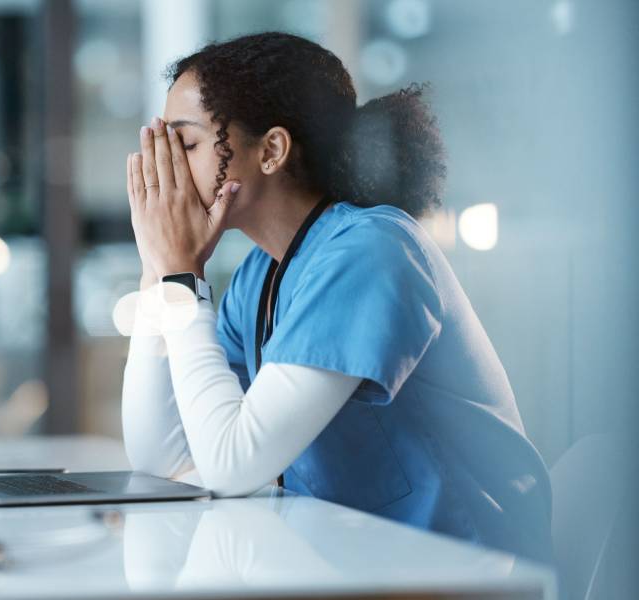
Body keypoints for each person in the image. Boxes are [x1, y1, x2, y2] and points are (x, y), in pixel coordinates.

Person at [121, 32, 553, 564]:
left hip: (467, 571)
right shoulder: (261, 274)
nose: (167, 171)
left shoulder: (372, 251)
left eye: (185, 145)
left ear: (272, 151)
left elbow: (231, 466)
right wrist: (156, 267)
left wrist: (182, 278)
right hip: (356, 562)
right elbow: (159, 456)